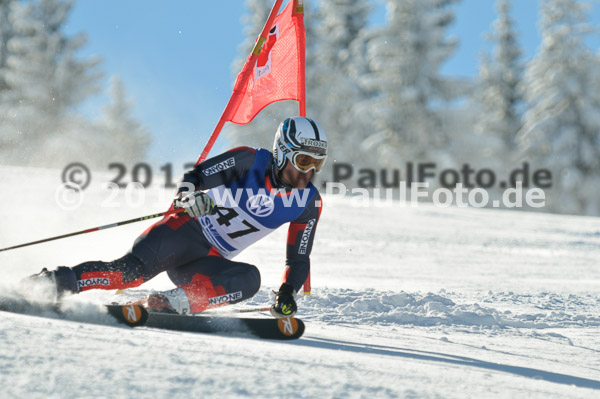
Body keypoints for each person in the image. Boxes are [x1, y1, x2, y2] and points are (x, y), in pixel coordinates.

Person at [25, 116, 327, 318]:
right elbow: (195, 177)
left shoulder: (307, 201)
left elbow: (298, 260)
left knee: (249, 279)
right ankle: (52, 282)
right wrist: (188, 197)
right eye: (302, 161)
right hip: (182, 233)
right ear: (282, 152)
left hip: (205, 260)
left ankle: (172, 303)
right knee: (128, 274)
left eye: (316, 164)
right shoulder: (250, 160)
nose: (307, 172)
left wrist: (287, 293)